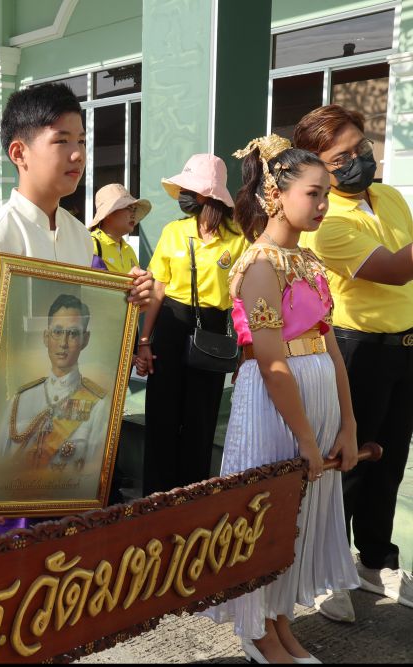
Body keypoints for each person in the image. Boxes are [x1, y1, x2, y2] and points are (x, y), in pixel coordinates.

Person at [0, 82, 153, 541]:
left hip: (71, 452)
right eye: (61, 140)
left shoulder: (80, 237)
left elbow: (90, 333)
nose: (78, 154)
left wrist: (126, 300)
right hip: (8, 456)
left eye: (81, 140)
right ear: (19, 152)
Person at [202, 135, 359, 663]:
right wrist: (307, 440)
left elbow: (331, 348)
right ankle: (257, 630)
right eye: (314, 193)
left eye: (326, 195)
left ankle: (281, 620)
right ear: (276, 194)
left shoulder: (309, 262)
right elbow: (271, 361)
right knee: (269, 517)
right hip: (277, 409)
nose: (323, 205)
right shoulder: (259, 265)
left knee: (300, 518)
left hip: (318, 399)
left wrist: (348, 425)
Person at [294, 104, 413, 618]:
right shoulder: (327, 223)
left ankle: (376, 560)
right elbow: (395, 269)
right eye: (341, 157)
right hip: (354, 348)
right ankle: (327, 568)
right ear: (317, 167)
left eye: (361, 147)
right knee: (345, 463)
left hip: (404, 345)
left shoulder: (389, 197)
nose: (358, 160)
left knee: (389, 459)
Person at [135, 154, 250, 495]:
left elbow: (243, 299)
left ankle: (191, 499)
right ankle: (156, 498)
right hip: (171, 326)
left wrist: (245, 349)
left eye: (188, 189)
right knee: (162, 415)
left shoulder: (238, 238)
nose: (183, 195)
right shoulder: (174, 231)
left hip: (213, 332)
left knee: (200, 420)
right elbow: (158, 288)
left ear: (206, 195)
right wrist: (145, 341)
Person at [2, 294, 109, 496]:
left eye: (73, 334)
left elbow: (94, 478)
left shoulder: (98, 405)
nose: (63, 343)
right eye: (57, 332)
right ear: (46, 337)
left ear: (85, 339)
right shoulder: (21, 399)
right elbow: (1, 464)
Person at [87, 183, 148, 273]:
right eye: (128, 208)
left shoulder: (128, 249)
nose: (133, 214)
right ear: (108, 213)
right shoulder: (90, 244)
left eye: (134, 209)